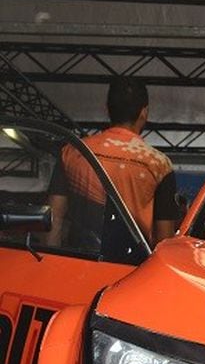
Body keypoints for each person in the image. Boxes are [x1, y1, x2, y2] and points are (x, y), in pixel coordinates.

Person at [46, 76, 177, 249]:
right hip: (129, 269)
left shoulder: (73, 152)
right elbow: (164, 240)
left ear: (107, 109)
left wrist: (50, 263)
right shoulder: (159, 164)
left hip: (77, 263)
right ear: (144, 112)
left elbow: (53, 219)